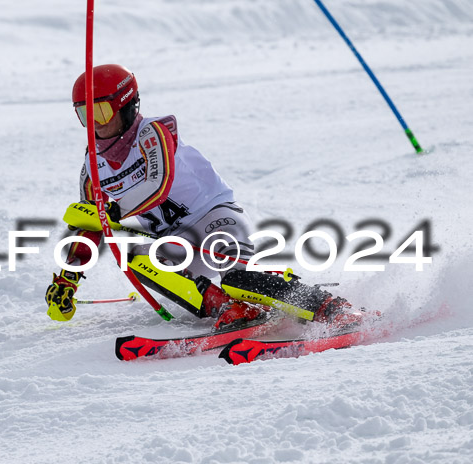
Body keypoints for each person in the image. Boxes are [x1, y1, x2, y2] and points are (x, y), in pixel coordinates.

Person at [45, 64, 358, 330]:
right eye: (85, 115)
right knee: (128, 251)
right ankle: (225, 308)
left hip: (214, 219)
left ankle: (329, 307)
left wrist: (112, 210)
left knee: (239, 280)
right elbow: (91, 225)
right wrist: (67, 280)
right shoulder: (92, 165)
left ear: (127, 105)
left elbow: (159, 183)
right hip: (174, 241)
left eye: (101, 111)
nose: (96, 126)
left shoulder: (152, 134)